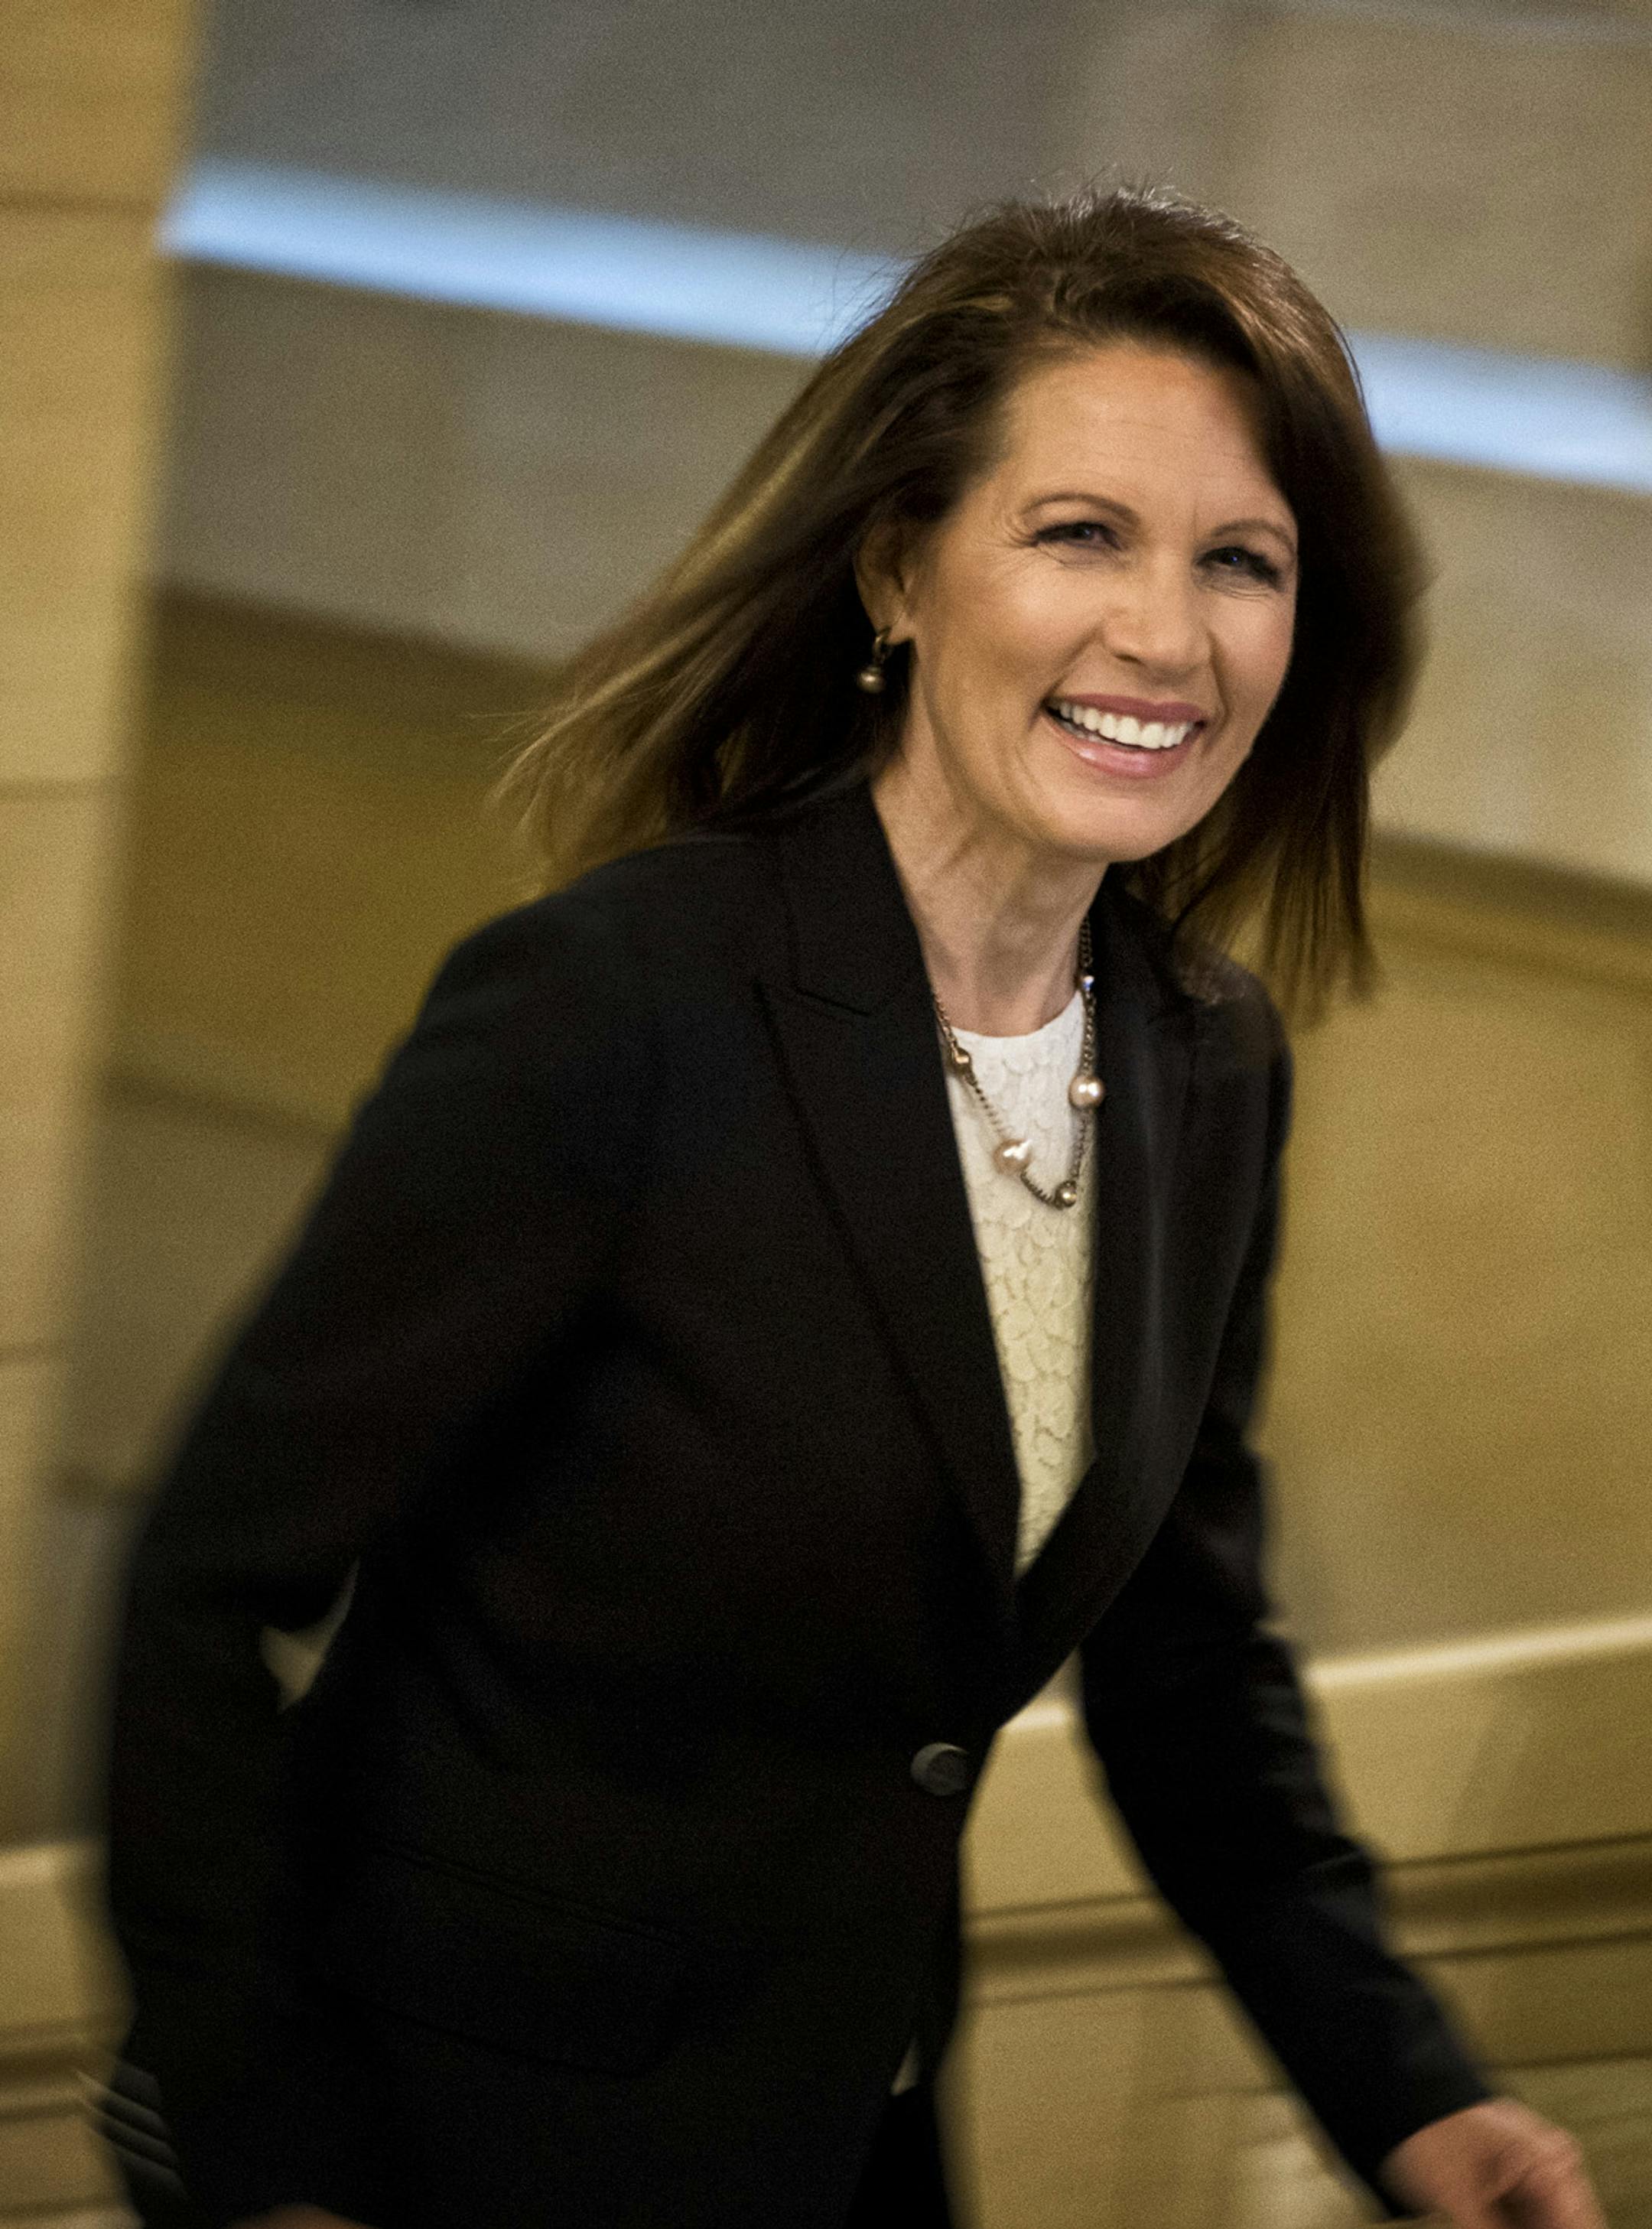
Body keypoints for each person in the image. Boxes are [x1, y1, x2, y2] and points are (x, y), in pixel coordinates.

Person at [103, 185, 1605, 2229]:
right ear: (901, 571)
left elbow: (1188, 1664)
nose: (1163, 635)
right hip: (449, 2150)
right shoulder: (617, 1002)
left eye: (1240, 561)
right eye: (1081, 534)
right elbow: (204, 1593)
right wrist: (275, 2167)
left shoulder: (1204, 1061)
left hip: (851, 2143)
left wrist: (1410, 2088)